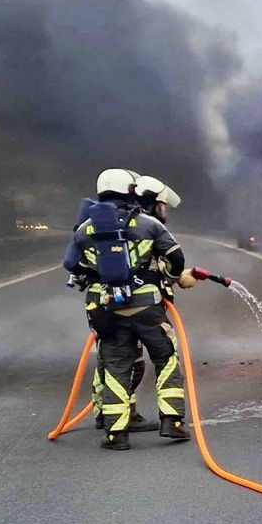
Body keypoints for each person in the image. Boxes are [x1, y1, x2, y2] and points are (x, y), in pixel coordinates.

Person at [63, 168, 193, 450]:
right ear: (130, 191)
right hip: (146, 308)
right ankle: (172, 422)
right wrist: (168, 274)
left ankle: (116, 435)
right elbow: (176, 259)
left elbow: (73, 266)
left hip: (106, 311)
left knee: (115, 368)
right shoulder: (148, 224)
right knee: (166, 359)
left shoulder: (85, 229)